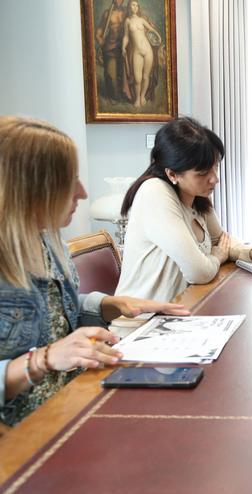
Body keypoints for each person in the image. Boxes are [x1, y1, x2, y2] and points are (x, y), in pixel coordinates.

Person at [0, 116, 189, 427]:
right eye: (69, 180)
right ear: (29, 189)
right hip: (23, 439)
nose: (83, 192)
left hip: (74, 406)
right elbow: (49, 349)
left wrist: (111, 304)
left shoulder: (48, 241)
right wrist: (42, 360)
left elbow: (59, 312)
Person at [116, 117, 252, 302]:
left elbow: (221, 240)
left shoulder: (196, 195)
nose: (215, 179)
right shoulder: (154, 192)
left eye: (215, 167)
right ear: (172, 174)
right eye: (203, 173)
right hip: (143, 323)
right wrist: (217, 257)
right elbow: (199, 272)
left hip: (185, 312)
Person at [122, 0, 162, 108]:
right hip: (137, 52)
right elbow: (126, 36)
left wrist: (158, 36)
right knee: (137, 78)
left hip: (148, 50)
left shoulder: (142, 20)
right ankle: (137, 98)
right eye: (132, 5)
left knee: (145, 77)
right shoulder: (127, 21)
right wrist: (123, 46)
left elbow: (151, 29)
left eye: (136, 5)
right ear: (129, 7)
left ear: (138, 7)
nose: (134, 7)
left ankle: (142, 96)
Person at [95, 0, 128, 102]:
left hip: (123, 48)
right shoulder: (107, 13)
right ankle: (113, 95)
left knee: (124, 73)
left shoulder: (127, 11)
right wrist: (100, 39)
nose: (119, 1)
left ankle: (125, 93)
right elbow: (99, 30)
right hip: (110, 47)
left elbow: (140, 17)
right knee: (111, 75)